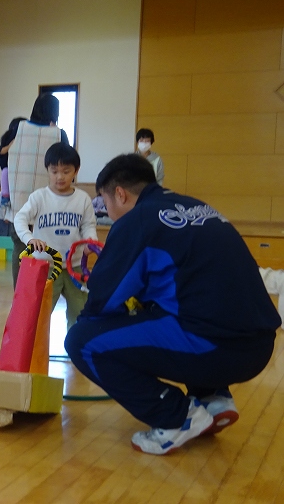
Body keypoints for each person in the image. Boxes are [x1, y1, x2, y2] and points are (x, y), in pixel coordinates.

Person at [64, 154, 280, 455]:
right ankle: (213, 399)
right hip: (260, 345)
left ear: (120, 194)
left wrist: (91, 321)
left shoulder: (137, 221)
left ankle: (178, 417)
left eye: (105, 201)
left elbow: (102, 299)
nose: (107, 211)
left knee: (82, 341)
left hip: (217, 348)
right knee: (169, 304)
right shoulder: (195, 206)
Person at [14, 142, 97, 329]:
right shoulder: (39, 197)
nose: (60, 176)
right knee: (39, 314)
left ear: (76, 171)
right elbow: (20, 219)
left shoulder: (83, 198)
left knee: (80, 312)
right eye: (54, 171)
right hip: (46, 266)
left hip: (74, 266)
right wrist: (29, 239)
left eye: (66, 171)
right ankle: (36, 346)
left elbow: (88, 225)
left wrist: (90, 240)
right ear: (47, 170)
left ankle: (76, 344)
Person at [6, 93, 69, 288]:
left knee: (20, 250)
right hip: (47, 207)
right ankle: (43, 297)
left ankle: (21, 298)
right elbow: (68, 165)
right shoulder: (59, 135)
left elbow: (2, 157)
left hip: (19, 205)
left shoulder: (18, 129)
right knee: (47, 252)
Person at [0, 116, 26, 206]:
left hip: (18, 174)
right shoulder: (8, 140)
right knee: (5, 172)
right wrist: (9, 147)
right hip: (8, 170)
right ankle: (5, 197)